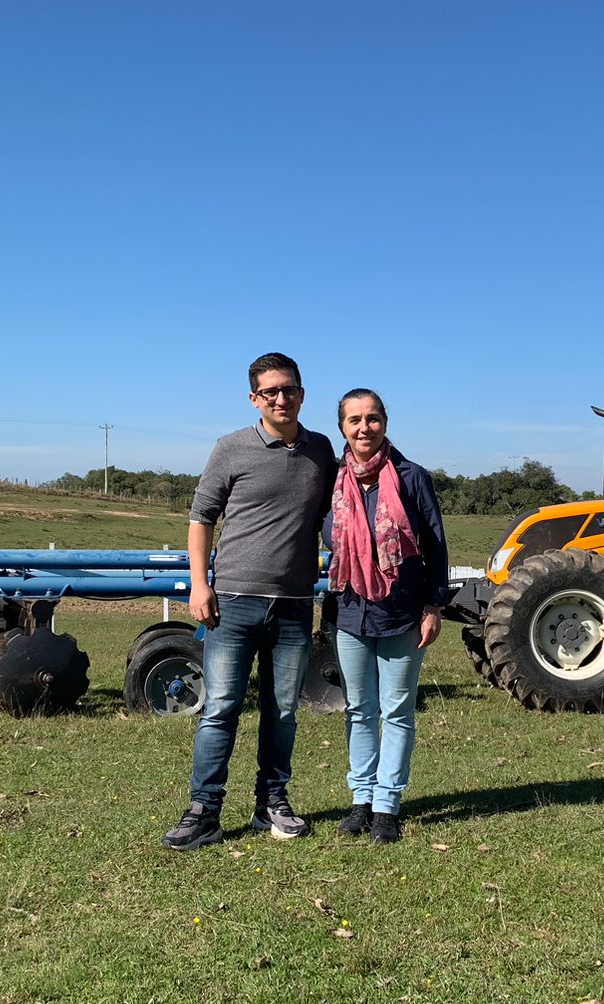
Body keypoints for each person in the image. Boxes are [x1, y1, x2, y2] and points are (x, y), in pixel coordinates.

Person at [161, 353, 337, 851]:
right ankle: (205, 811)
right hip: (233, 602)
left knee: (283, 709)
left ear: (303, 393)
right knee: (220, 708)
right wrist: (200, 584)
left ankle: (271, 804)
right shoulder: (231, 448)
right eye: (271, 391)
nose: (281, 399)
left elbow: (336, 511)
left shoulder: (322, 450)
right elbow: (201, 518)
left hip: (294, 604)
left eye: (290, 389)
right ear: (254, 398)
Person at [322, 388, 450, 844]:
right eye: (354, 420)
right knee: (359, 709)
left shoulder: (411, 477)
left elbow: (435, 544)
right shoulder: (333, 481)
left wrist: (433, 606)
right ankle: (361, 800)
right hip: (350, 611)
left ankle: (386, 806)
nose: (364, 428)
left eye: (372, 418)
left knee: (396, 711)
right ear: (342, 427)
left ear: (385, 422)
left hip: (402, 611)